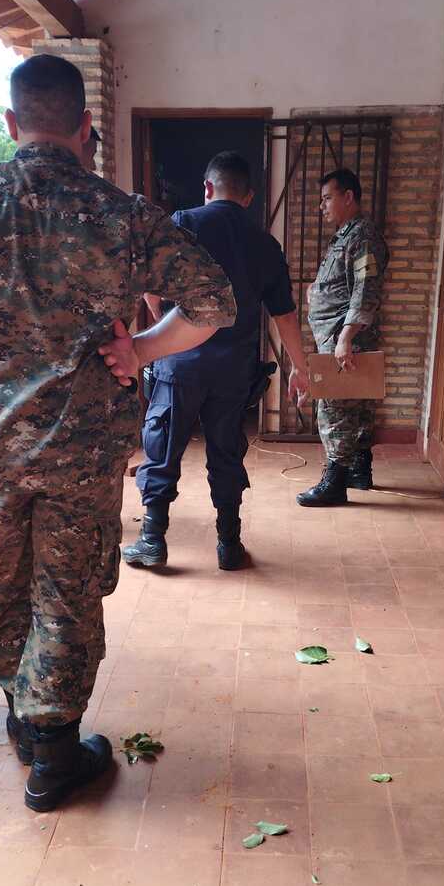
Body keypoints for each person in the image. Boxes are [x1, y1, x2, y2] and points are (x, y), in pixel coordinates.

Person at [0, 54, 235, 810]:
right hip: (76, 447)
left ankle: (26, 721)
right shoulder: (123, 216)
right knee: (64, 588)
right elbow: (214, 302)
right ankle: (54, 751)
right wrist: (143, 348)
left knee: (0, 575)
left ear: (11, 123)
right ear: (87, 129)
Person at [123, 150, 309, 571]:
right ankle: (228, 543)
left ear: (208, 188)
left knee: (163, 446)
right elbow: (285, 315)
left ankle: (152, 539)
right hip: (234, 371)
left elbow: (150, 286)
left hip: (179, 363)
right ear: (248, 197)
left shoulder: (182, 224)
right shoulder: (265, 243)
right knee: (226, 451)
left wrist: (165, 329)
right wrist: (300, 366)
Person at [297, 168, 389, 507]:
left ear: (348, 196)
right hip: (338, 335)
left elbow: (366, 289)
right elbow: (343, 283)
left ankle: (334, 482)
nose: (322, 206)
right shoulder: (346, 235)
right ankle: (359, 471)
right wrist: (316, 289)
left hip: (345, 336)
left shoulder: (362, 236)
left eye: (327, 198)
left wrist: (346, 337)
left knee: (335, 409)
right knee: (357, 406)